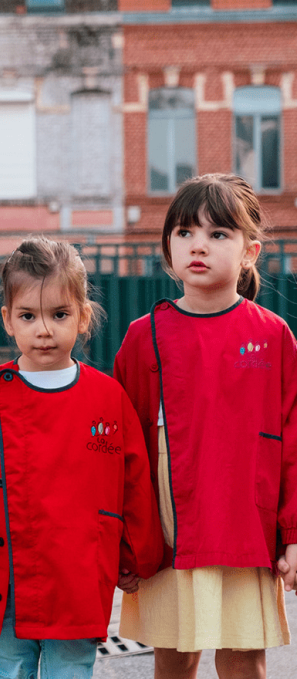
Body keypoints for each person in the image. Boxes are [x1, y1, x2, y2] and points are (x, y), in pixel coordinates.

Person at [0, 236, 163, 679]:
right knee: (11, 670)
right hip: (3, 574)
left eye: (59, 314)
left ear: (82, 317)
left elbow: (133, 480)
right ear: (7, 320)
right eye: (28, 315)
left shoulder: (107, 397)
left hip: (78, 575)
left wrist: (138, 556)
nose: (44, 329)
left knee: (71, 671)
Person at [114, 174, 297, 679]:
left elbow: (293, 443)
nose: (199, 245)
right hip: (170, 533)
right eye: (184, 233)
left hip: (246, 529)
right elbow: (122, 452)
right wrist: (123, 537)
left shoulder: (272, 336)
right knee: (174, 659)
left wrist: (294, 533)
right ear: (168, 247)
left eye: (218, 234)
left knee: (243, 661)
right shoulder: (142, 336)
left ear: (249, 252)